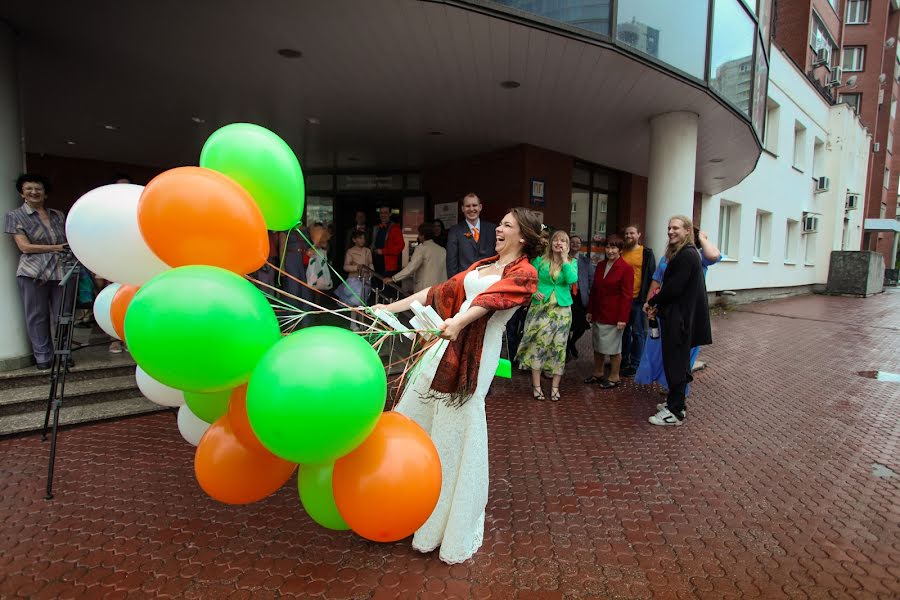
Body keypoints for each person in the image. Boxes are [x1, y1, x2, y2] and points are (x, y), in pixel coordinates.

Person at [373, 207, 543, 564]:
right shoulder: (483, 264)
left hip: (473, 356)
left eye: (507, 225)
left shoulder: (525, 274)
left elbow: (488, 301)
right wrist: (391, 308)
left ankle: (439, 523)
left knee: (452, 430)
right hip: (444, 345)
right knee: (416, 416)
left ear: (523, 236)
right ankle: (399, 502)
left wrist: (459, 323)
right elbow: (439, 291)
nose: (499, 229)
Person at [636, 229, 721, 409]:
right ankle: (671, 394)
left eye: (676, 228)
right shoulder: (670, 257)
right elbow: (657, 281)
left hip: (685, 315)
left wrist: (701, 238)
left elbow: (713, 255)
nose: (670, 232)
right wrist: (650, 303)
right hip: (668, 311)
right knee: (665, 353)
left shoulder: (694, 255)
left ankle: (676, 404)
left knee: (681, 358)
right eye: (669, 228)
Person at [5, 174, 71, 370]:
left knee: (64, 315)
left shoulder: (58, 215)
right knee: (37, 315)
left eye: (38, 189)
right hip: (33, 272)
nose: (34, 192)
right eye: (29, 189)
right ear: (22, 193)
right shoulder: (14, 216)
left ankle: (63, 355)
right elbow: (24, 247)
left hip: (62, 271)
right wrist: (57, 248)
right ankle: (43, 357)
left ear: (45, 193)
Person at [516, 230, 577, 402]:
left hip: (562, 311)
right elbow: (528, 282)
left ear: (567, 245)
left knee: (558, 348)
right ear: (551, 243)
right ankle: (536, 386)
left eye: (563, 241)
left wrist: (565, 259)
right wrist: (534, 293)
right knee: (538, 345)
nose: (559, 243)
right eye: (556, 240)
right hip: (540, 309)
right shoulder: (539, 261)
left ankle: (555, 388)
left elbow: (572, 280)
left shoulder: (572, 262)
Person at [584, 235, 634, 389]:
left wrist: (623, 319)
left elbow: (627, 296)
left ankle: (614, 376)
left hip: (614, 316)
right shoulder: (600, 265)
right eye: (608, 247)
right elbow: (594, 290)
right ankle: (598, 373)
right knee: (598, 345)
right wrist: (590, 310)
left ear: (620, 250)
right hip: (599, 313)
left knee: (613, 349)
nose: (610, 251)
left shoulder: (626, 269)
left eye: (613, 248)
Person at [619, 225, 656, 377]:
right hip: (623, 299)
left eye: (632, 233)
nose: (629, 235)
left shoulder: (646, 253)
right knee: (624, 332)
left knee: (639, 333)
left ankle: (636, 364)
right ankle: (624, 360)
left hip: (638, 299)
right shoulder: (621, 251)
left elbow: (653, 277)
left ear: (638, 235)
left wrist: (650, 300)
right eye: (626, 233)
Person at [385, 223, 447, 293]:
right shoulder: (442, 250)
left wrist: (393, 279)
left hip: (425, 290)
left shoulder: (421, 249)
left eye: (419, 234)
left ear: (423, 236)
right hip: (440, 288)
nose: (418, 236)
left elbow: (411, 268)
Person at [445, 193, 496, 277]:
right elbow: (451, 262)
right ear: (463, 209)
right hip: (464, 281)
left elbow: (497, 256)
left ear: (480, 207)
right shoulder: (455, 231)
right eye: (468, 206)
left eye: (474, 205)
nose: (471, 209)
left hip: (488, 279)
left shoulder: (492, 229)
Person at [566, 235, 593, 361]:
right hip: (567, 295)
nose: (575, 244)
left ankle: (572, 343)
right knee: (566, 325)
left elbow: (590, 278)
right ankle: (565, 350)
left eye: (578, 242)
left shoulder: (586, 261)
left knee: (582, 325)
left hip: (580, 297)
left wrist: (588, 292)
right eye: (573, 242)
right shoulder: (563, 258)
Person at [371, 206, 405, 278]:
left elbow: (400, 246)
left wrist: (383, 251)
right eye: (381, 213)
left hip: (388, 266)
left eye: (385, 213)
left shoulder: (395, 228)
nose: (383, 215)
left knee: (387, 288)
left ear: (390, 214)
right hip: (375, 264)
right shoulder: (376, 227)